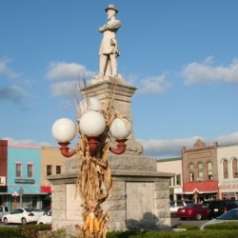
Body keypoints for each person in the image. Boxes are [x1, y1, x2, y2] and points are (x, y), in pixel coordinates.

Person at [98, 4, 121, 77]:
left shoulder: (117, 22)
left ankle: (114, 73)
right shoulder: (107, 23)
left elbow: (110, 26)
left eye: (108, 11)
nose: (107, 13)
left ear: (113, 12)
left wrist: (104, 27)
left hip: (111, 41)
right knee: (102, 56)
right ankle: (101, 73)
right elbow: (100, 29)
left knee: (112, 56)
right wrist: (104, 27)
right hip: (104, 41)